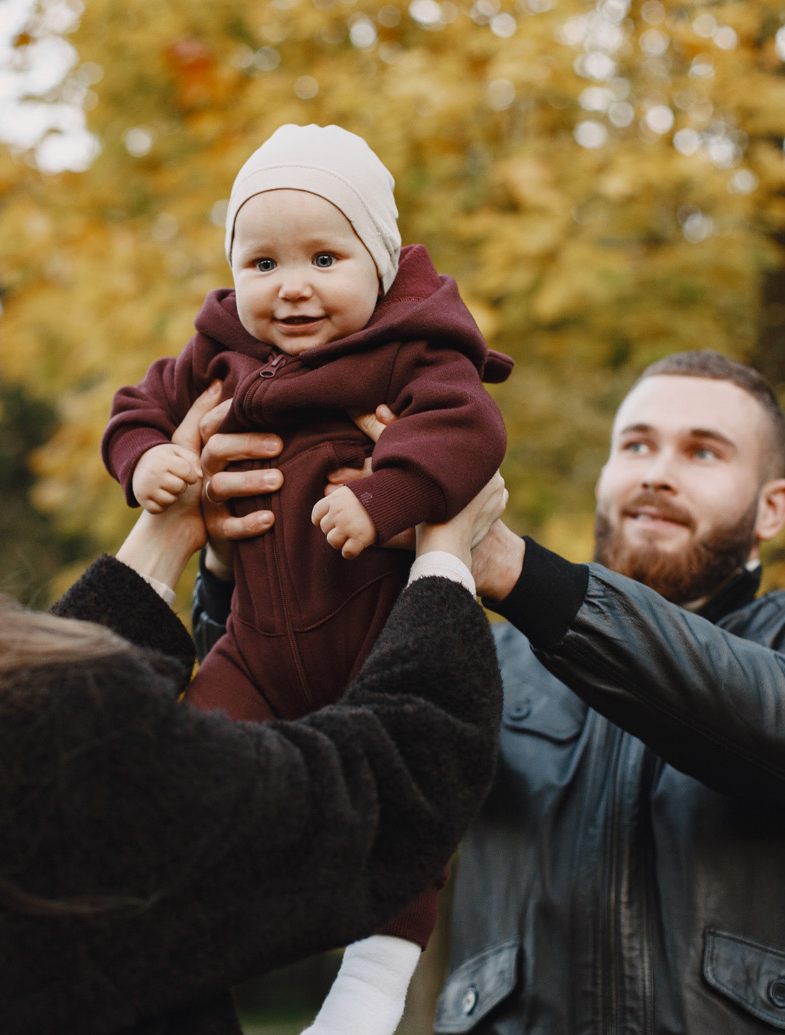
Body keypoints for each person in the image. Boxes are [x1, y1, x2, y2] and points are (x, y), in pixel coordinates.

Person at [0, 231, 507, 1035]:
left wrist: (166, 536)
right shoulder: (15, 751)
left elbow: (27, 734)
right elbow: (386, 790)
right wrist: (444, 555)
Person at [194, 348, 785, 1035]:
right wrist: (240, 565)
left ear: (773, 507)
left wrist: (504, 562)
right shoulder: (485, 659)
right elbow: (296, 763)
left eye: (703, 453)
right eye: (636, 445)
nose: (656, 473)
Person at [103, 126, 512, 1025]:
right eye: (262, 261)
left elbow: (466, 426)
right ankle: (184, 952)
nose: (291, 285)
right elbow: (139, 406)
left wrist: (387, 497)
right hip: (252, 644)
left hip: (374, 635)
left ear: (378, 262)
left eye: (325, 257)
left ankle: (371, 983)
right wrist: (145, 465)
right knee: (178, 779)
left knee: (411, 807)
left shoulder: (413, 345)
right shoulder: (221, 350)